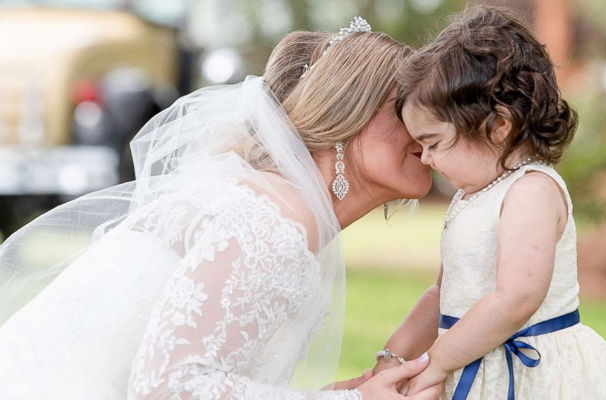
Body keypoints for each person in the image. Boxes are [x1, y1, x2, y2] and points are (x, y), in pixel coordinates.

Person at [0, 17, 442, 400]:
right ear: (344, 118)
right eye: (405, 107)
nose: (428, 126)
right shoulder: (272, 221)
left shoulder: (272, 206)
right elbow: (166, 387)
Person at [372, 6, 606, 400]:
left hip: (532, 376)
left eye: (433, 142)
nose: (425, 158)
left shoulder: (530, 190)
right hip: (473, 362)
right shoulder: (472, 195)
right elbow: (439, 294)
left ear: (498, 125)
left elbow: (516, 299)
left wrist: (439, 362)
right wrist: (394, 358)